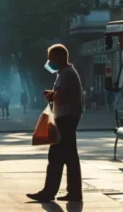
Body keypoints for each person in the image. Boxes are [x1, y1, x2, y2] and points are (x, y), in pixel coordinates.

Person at [28, 44, 84, 202]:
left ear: (59, 57)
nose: (49, 61)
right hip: (68, 116)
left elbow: (62, 95)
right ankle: (72, 192)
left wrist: (51, 96)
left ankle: (49, 192)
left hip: (66, 117)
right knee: (68, 156)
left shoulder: (66, 74)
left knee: (56, 155)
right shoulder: (65, 73)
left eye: (50, 58)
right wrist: (53, 94)